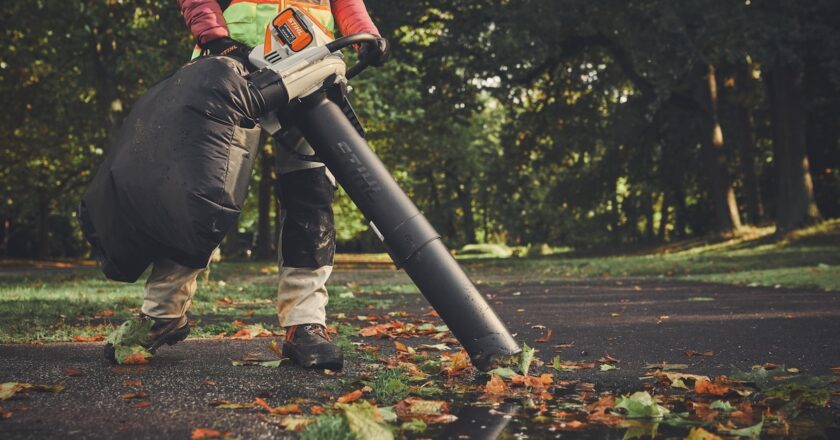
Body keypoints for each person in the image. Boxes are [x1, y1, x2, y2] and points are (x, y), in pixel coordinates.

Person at [104, 0, 389, 370]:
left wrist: (364, 35)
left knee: (311, 193)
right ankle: (163, 311)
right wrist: (215, 37)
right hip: (231, 64)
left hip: (310, 62)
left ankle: (305, 323)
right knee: (200, 189)